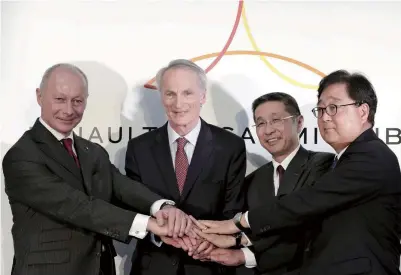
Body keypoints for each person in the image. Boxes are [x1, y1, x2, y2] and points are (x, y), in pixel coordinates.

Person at [198, 70, 401, 275]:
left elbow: (306, 204)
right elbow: (308, 226)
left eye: (333, 107)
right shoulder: (345, 160)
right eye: (321, 109)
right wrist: (239, 241)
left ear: (363, 111)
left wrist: (238, 223)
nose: (325, 117)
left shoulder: (371, 156)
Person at [2, 63, 193, 275]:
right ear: (39, 97)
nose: (68, 110)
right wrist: (149, 224)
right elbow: (77, 206)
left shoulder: (91, 151)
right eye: (59, 99)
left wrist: (162, 207)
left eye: (77, 101)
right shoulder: (22, 156)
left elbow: (121, 187)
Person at [124, 59, 247, 275]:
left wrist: (212, 241)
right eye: (170, 94)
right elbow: (133, 208)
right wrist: (159, 233)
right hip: (153, 266)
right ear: (161, 98)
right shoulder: (139, 148)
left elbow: (233, 210)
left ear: (203, 96)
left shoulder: (230, 146)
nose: (178, 103)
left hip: (209, 265)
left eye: (187, 93)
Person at [193, 93, 333, 275]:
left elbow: (307, 230)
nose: (268, 130)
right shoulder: (252, 181)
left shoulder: (323, 165)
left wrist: (243, 251)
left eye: (276, 120)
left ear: (299, 123)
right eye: (260, 123)